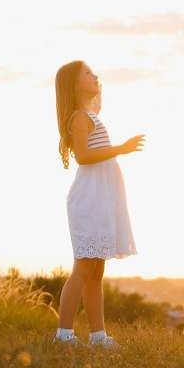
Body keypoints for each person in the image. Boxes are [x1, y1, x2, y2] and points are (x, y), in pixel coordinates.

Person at [52, 61, 144, 349]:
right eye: (88, 74)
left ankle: (98, 336)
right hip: (89, 200)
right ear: (74, 84)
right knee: (82, 268)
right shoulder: (80, 117)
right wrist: (121, 148)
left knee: (96, 272)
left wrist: (94, 85)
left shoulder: (91, 113)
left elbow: (98, 95)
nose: (95, 76)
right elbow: (83, 156)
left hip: (101, 199)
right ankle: (63, 336)